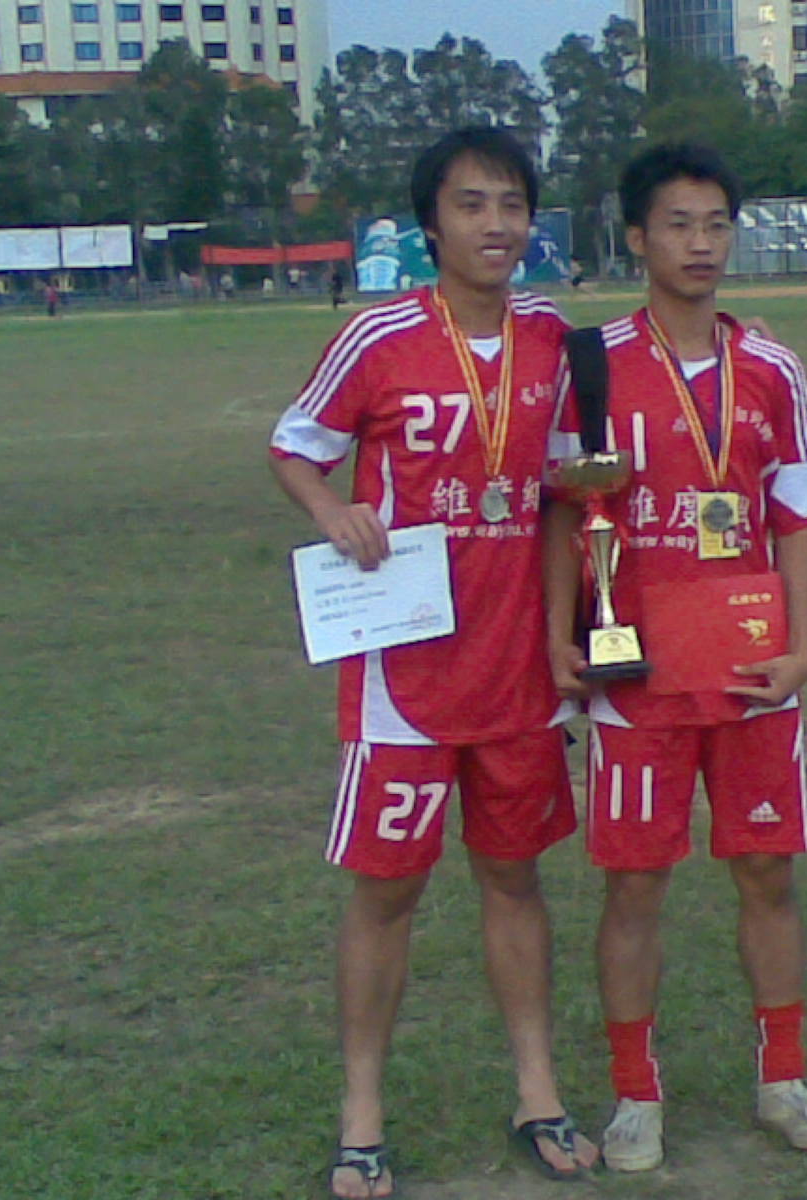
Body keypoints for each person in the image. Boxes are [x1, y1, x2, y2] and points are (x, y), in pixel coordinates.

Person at [268, 127, 599, 1199]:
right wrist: (334, 511)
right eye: (471, 204)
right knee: (385, 892)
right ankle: (361, 1115)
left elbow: (565, 499)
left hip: (517, 676)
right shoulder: (379, 337)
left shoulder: (554, 344)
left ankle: (538, 1092)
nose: (496, 225)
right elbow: (295, 445)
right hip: (402, 677)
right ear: (430, 225)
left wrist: (562, 635)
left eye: (512, 204)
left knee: (515, 878)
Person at [542, 142, 807, 1173]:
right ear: (637, 237)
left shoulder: (771, 367)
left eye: (717, 223)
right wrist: (557, 636)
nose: (700, 243)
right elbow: (562, 514)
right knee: (635, 885)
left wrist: (803, 646)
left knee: (766, 871)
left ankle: (784, 1077)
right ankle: (636, 1095)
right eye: (678, 223)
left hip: (753, 669)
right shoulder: (590, 366)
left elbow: (796, 512)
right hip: (638, 670)